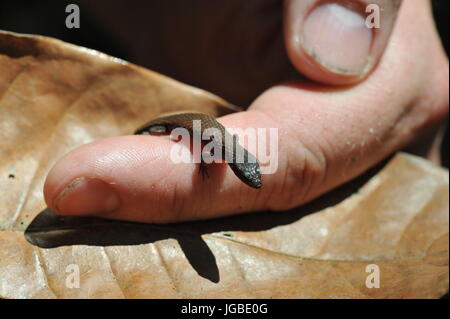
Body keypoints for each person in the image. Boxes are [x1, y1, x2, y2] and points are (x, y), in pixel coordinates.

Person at [44, 0, 449, 223]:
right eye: (246, 172)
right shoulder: (223, 151)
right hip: (176, 121)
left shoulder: (231, 153)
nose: (248, 174)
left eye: (246, 170)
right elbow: (204, 143)